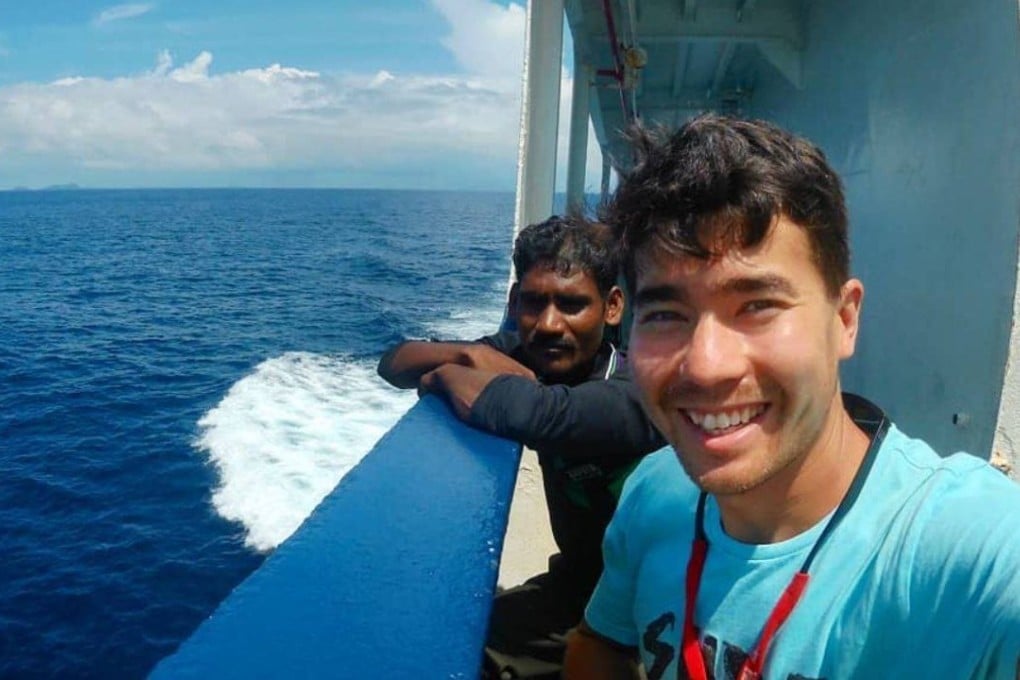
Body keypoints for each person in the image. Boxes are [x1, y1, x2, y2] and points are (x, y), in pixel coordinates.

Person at [564, 115, 1020, 679]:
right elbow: (600, 643)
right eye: (664, 314)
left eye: (758, 306)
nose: (706, 365)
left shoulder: (962, 552)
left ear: (844, 319)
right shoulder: (656, 491)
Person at [377, 215, 665, 679]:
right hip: (580, 587)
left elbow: (539, 412)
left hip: (659, 608)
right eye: (534, 302)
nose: (549, 324)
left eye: (572, 304)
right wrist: (465, 354)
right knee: (441, 636)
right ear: (514, 303)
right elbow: (394, 363)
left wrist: (448, 373)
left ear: (612, 307)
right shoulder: (527, 353)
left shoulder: (636, 394)